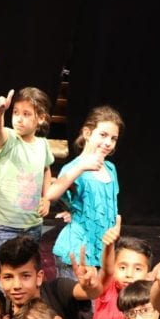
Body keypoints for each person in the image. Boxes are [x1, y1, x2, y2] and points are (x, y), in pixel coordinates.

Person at [44, 106, 124, 279]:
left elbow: (110, 208)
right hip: (76, 251)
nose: (108, 142)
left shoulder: (111, 168)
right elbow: (51, 195)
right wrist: (81, 167)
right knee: (74, 304)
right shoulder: (75, 166)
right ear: (87, 133)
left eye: (113, 138)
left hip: (99, 253)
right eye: (103, 135)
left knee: (93, 304)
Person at [0, 87, 53, 284]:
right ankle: (0, 313)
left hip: (32, 225)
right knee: (3, 276)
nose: (19, 119)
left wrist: (46, 198)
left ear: (40, 118)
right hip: (4, 224)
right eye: (15, 113)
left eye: (26, 114)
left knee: (26, 273)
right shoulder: (9, 138)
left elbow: (46, 170)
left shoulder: (42, 145)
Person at [0, 235, 100, 319]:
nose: (16, 285)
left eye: (25, 276)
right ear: (0, 279)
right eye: (8, 277)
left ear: (39, 277)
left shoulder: (57, 290)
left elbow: (89, 293)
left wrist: (91, 286)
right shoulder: (2, 310)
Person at [91, 218, 152, 319]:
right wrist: (108, 246)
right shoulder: (107, 290)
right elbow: (107, 270)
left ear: (148, 274)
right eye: (122, 267)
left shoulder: (150, 296)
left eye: (138, 269)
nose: (129, 274)